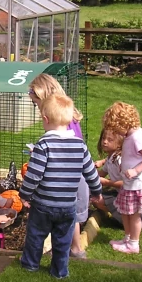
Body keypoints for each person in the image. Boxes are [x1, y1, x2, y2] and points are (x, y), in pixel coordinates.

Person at [19, 94, 102, 278]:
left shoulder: (43, 145)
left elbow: (34, 175)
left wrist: (24, 194)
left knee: (36, 235)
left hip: (43, 204)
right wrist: (97, 191)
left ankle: (30, 265)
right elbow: (90, 172)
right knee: (63, 239)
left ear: (45, 119)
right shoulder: (80, 145)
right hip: (67, 206)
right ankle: (59, 271)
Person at [27, 73, 89, 258]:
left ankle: (74, 250)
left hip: (69, 177)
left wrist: (43, 155)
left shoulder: (63, 124)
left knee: (69, 216)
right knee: (69, 216)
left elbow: (65, 152)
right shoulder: (67, 118)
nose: (37, 108)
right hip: (73, 174)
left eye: (36, 103)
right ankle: (71, 249)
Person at [101, 101, 142, 254]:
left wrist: (135, 170)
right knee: (125, 212)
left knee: (134, 214)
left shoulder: (137, 137)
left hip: (137, 184)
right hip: (129, 183)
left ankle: (133, 244)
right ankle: (127, 238)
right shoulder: (130, 135)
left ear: (122, 123)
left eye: (115, 128)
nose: (115, 133)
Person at [91, 128, 142, 228]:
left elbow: (126, 183)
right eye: (103, 138)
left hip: (129, 195)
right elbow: (102, 173)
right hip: (120, 193)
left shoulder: (119, 160)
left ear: (119, 143)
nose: (105, 142)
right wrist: (87, 174)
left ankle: (128, 221)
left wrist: (107, 182)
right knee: (95, 196)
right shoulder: (110, 158)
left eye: (110, 140)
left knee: (96, 200)